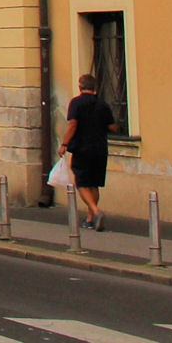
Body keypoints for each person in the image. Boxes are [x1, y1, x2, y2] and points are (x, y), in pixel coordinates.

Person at [61, 72, 118, 231]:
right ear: (95, 87)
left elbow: (73, 124)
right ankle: (91, 218)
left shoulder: (76, 103)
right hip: (100, 149)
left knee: (82, 183)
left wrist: (64, 144)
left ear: (80, 87)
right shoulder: (102, 104)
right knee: (94, 184)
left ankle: (96, 211)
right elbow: (113, 127)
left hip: (82, 148)